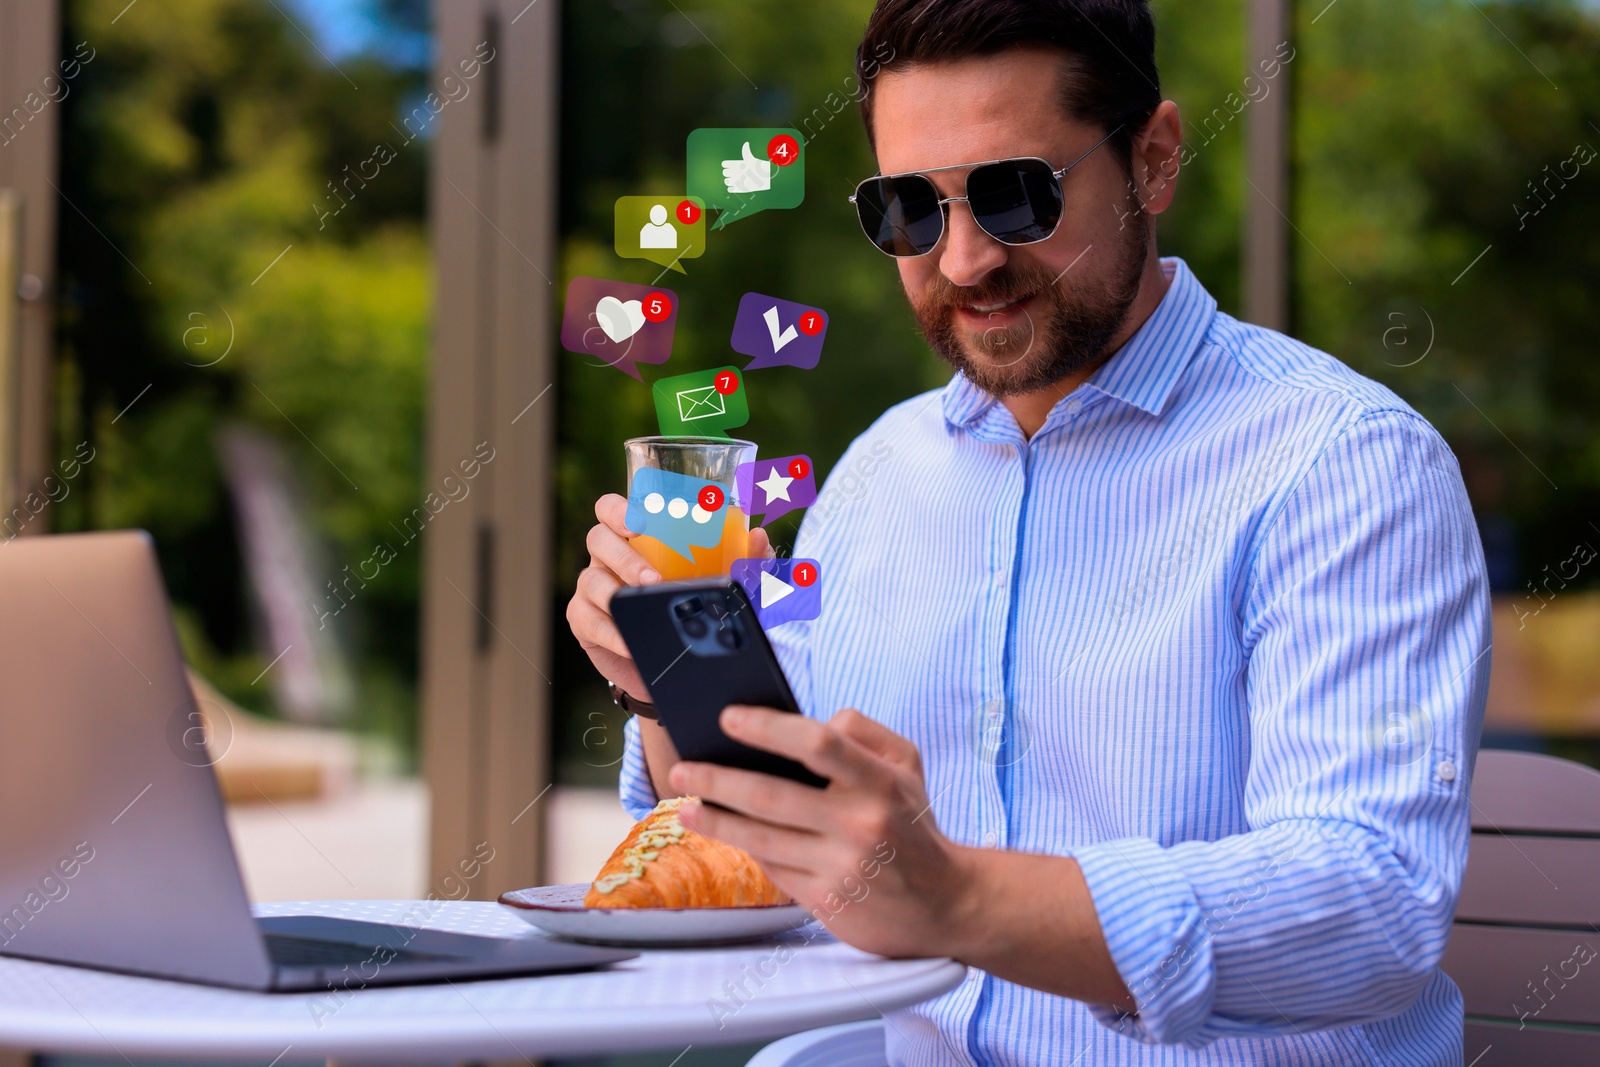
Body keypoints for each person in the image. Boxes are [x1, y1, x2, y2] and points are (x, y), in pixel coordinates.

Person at [567, 0, 1490, 1062]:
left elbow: (1372, 904)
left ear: (1151, 160)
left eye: (1012, 195)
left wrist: (957, 894)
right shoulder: (878, 472)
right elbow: (785, 840)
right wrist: (666, 678)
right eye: (907, 209)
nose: (961, 261)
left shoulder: (1343, 461)